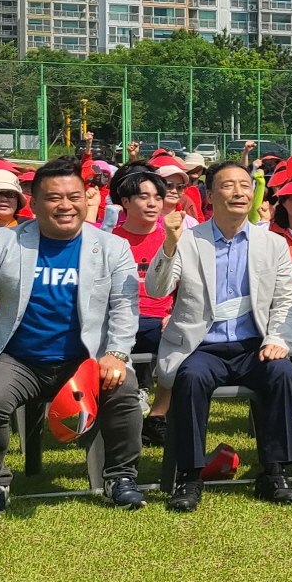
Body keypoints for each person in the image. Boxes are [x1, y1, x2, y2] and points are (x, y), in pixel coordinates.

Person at [0, 157, 147, 516]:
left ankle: (120, 477)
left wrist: (117, 354)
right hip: (20, 359)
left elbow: (125, 306)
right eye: (53, 198)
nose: (65, 205)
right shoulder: (5, 240)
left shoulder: (111, 246)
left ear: (86, 199)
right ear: (35, 202)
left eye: (74, 196)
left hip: (85, 360)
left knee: (124, 389)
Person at [145, 161, 292, 510]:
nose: (239, 192)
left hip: (254, 345)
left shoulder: (271, 243)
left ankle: (274, 472)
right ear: (210, 194)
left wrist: (277, 339)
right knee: (190, 377)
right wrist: (169, 245)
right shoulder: (188, 239)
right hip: (201, 346)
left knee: (284, 373)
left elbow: (285, 299)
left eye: (245, 185)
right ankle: (189, 477)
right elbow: (156, 290)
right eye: (228, 185)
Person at [107, 166, 176, 447]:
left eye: (158, 197)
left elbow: (188, 287)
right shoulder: (108, 241)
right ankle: (128, 406)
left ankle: (157, 416)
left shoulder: (172, 239)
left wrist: (175, 314)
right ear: (125, 202)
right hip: (117, 320)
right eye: (144, 197)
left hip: (160, 318)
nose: (152, 203)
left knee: (183, 340)